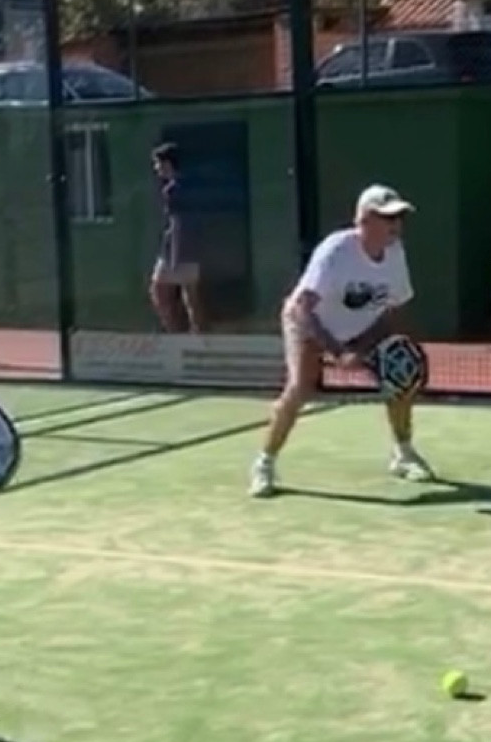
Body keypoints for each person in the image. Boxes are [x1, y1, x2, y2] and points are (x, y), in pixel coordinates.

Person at [249, 184, 434, 498]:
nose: (396, 225)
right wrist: (337, 351)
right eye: (388, 218)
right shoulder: (336, 251)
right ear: (364, 220)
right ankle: (264, 463)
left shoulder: (395, 252)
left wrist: (403, 351)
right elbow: (303, 308)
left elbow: (395, 309)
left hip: (362, 327)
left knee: (399, 379)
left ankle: (403, 454)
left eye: (399, 218)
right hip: (309, 324)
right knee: (300, 387)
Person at [149, 142, 204, 333]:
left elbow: (177, 223)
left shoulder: (172, 191)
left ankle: (176, 332)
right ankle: (197, 333)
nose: (156, 168)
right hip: (190, 247)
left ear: (168, 164)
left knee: (159, 291)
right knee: (190, 295)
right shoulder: (191, 186)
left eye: (158, 164)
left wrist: (174, 256)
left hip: (177, 249)